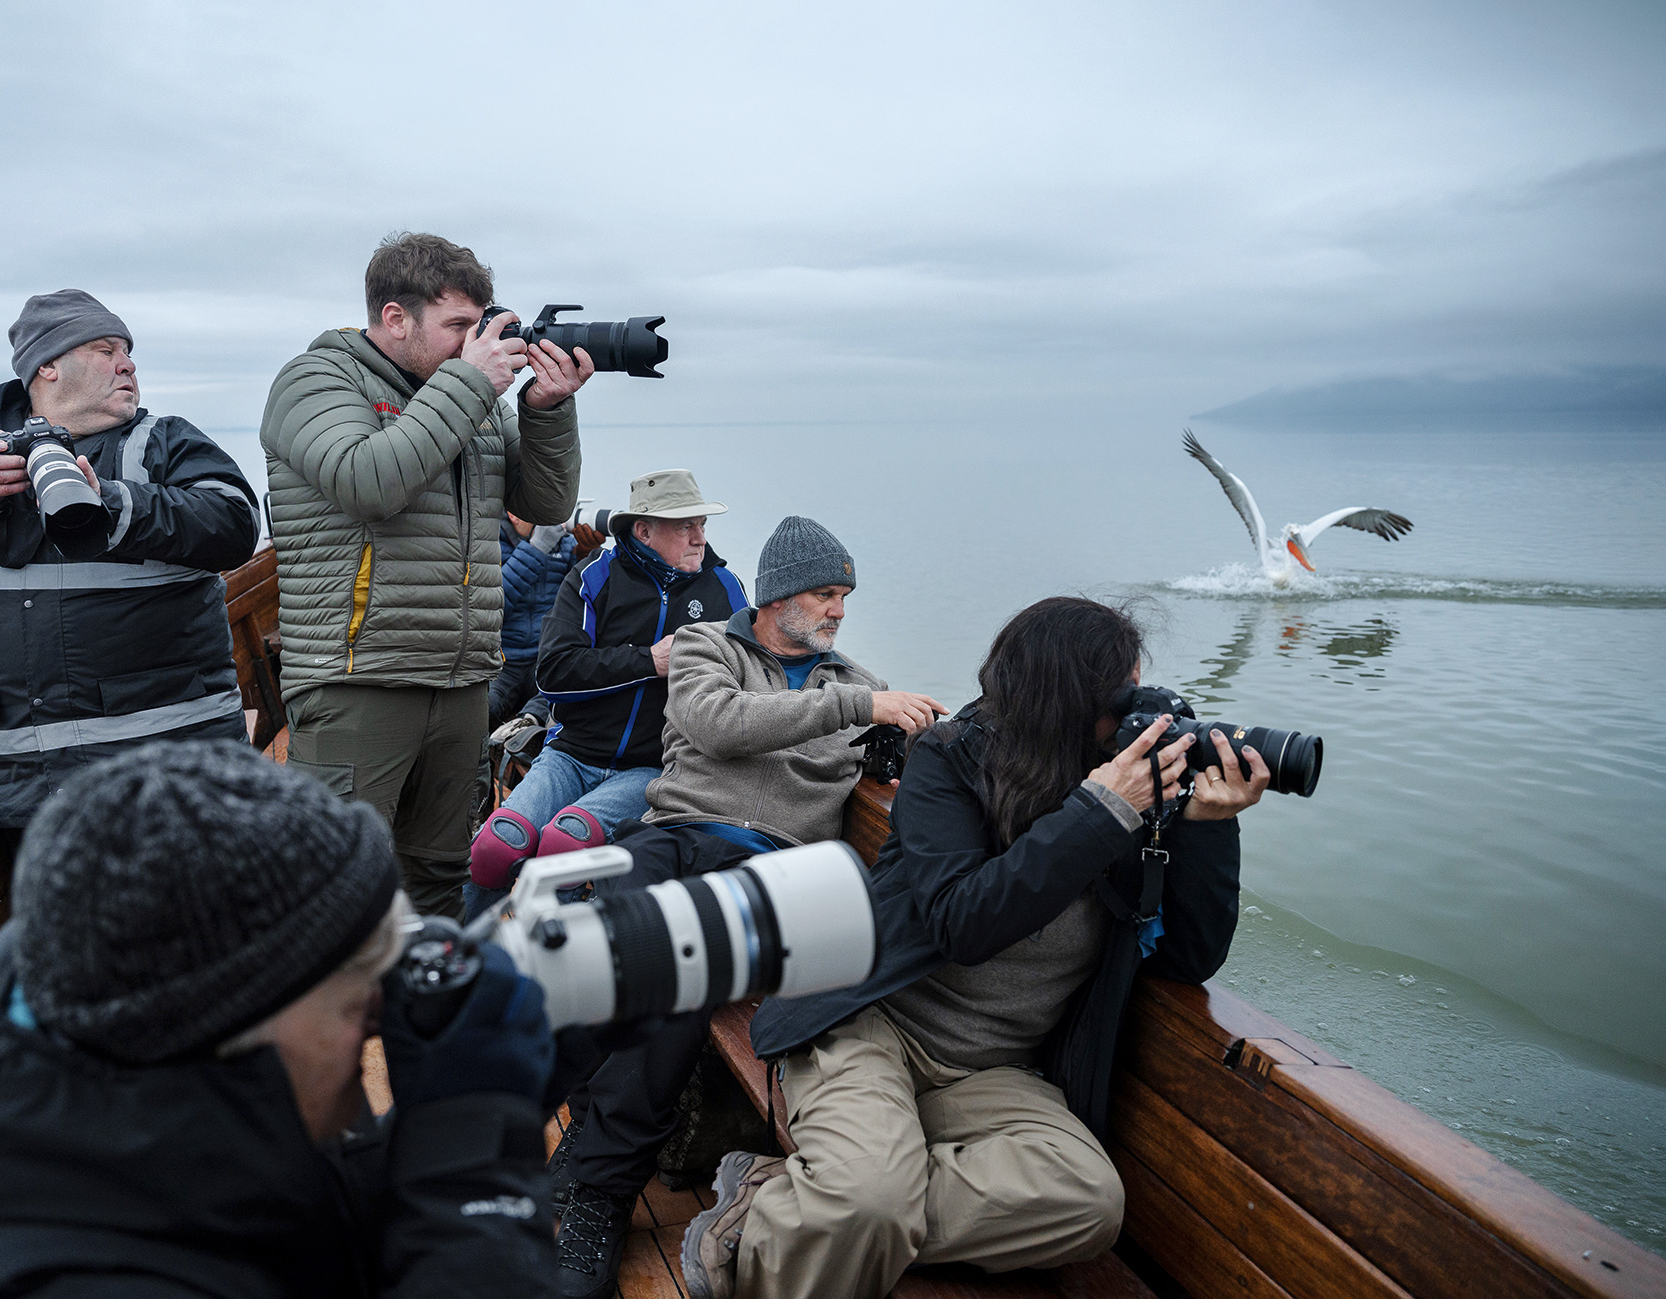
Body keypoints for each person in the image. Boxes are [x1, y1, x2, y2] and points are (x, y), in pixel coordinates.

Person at [0, 741, 559, 1299]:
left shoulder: (39, 1070)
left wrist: (472, 1100)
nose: (378, 1024)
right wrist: (474, 1173)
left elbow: (259, 1196)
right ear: (240, 1030)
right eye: (359, 1002)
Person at [678, 597, 1267, 1299]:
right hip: (870, 1022)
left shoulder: (1128, 794)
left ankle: (787, 1200)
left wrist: (1205, 823)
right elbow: (964, 922)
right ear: (1066, 702)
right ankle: (841, 1204)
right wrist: (1100, 813)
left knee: (1087, 1200)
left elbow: (1189, 959)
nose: (1136, 715)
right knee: (869, 1198)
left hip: (992, 1070)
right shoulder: (952, 759)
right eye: (1123, 698)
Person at [551, 516, 945, 1298]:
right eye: (824, 593)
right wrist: (857, 707)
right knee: (611, 940)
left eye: (845, 596)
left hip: (772, 867)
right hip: (672, 834)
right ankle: (594, 1128)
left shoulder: (855, 682)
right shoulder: (709, 648)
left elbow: (926, 767)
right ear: (775, 595)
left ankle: (599, 1187)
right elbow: (718, 724)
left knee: (678, 958)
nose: (838, 611)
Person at [0, 290, 259, 832]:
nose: (128, 365)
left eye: (128, 352)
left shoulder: (162, 441)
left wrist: (113, 504)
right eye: (106, 350)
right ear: (48, 366)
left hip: (178, 776)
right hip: (26, 793)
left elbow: (234, 523)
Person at [260, 232, 586, 918]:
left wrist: (546, 410)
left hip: (461, 679)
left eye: (479, 323)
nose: (477, 341)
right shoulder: (315, 381)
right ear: (395, 318)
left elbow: (546, 504)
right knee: (336, 886)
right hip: (359, 679)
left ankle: (429, 991)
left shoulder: (473, 398)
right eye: (458, 325)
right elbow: (368, 481)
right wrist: (471, 384)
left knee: (439, 879)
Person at [466, 470, 747, 920]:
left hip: (652, 767)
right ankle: (461, 946)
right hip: (570, 754)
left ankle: (550, 952)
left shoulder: (724, 591)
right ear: (644, 531)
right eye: (685, 527)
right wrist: (647, 661)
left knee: (566, 844)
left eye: (701, 524)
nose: (700, 538)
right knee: (495, 847)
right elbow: (553, 673)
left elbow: (747, 681)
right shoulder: (593, 575)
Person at [490, 512, 580, 729]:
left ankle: (526, 725)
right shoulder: (489, 543)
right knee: (484, 709)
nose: (552, 517)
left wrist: (587, 553)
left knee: (567, 691)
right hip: (501, 661)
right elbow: (492, 604)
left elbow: (581, 601)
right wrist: (537, 547)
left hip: (544, 658)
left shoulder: (564, 544)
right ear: (514, 514)